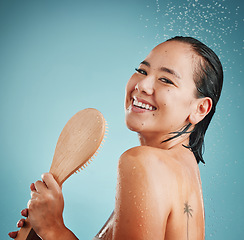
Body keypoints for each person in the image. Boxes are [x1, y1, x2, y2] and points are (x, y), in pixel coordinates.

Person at [9, 36, 223, 240]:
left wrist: (53, 228)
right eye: (142, 70)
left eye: (166, 80)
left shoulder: (144, 162)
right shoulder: (184, 168)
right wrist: (42, 231)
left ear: (200, 108)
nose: (142, 85)